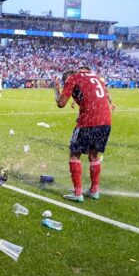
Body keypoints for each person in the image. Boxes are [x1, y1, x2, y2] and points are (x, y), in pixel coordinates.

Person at [54, 68, 113, 202]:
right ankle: (94, 190)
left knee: (74, 153)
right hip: (106, 120)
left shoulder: (72, 78)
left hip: (89, 121)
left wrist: (57, 89)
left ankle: (77, 192)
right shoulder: (95, 77)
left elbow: (61, 103)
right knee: (93, 155)